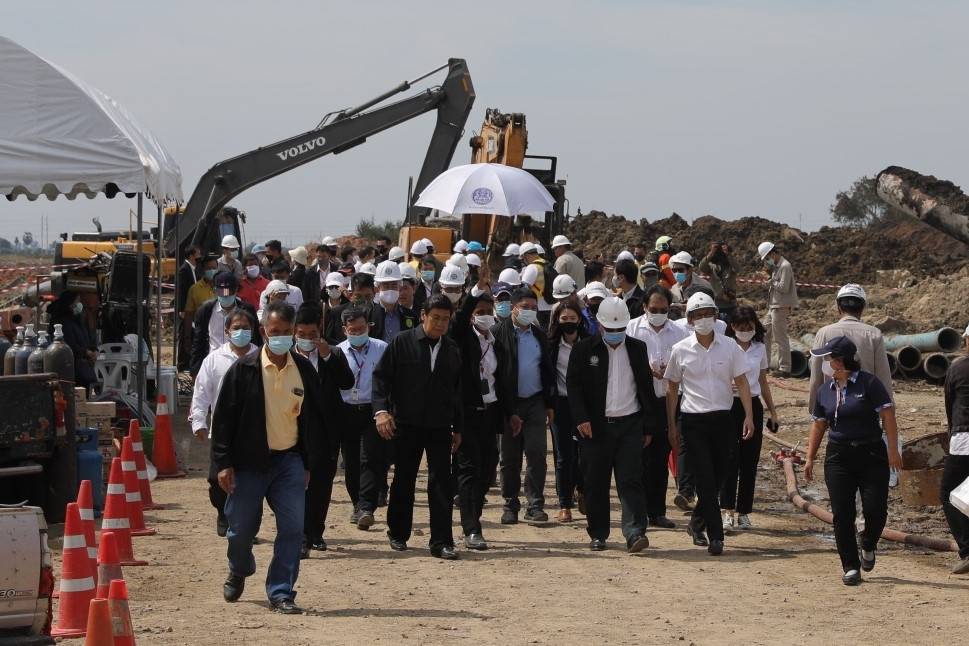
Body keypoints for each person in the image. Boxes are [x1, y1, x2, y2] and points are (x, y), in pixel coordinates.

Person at [212, 301, 326, 614]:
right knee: (240, 531)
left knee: (292, 528)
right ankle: (239, 567)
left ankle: (281, 592)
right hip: (249, 463)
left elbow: (313, 421)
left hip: (289, 462)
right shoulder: (244, 370)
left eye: (287, 332)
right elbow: (223, 421)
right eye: (275, 332)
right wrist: (223, 464)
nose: (281, 337)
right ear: (264, 332)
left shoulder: (304, 371)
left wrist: (307, 463)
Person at [805, 336, 902, 585]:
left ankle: (868, 543)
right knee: (842, 513)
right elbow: (819, 424)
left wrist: (893, 451)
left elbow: (888, 416)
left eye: (829, 358)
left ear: (840, 361)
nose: (826, 364)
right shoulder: (825, 391)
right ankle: (850, 566)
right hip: (839, 457)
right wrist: (809, 458)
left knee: (875, 509)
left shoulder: (869, 384)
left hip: (871, 454)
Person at [372, 294, 463, 559]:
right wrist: (381, 412)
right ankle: (398, 533)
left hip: (439, 425)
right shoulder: (402, 342)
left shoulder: (452, 349)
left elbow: (457, 391)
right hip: (406, 424)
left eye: (446, 319)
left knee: (441, 483)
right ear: (423, 315)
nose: (441, 323)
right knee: (404, 479)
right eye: (436, 318)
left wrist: (458, 427)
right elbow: (381, 378)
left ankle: (442, 541)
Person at [664, 292, 755, 556]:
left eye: (708, 314)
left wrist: (748, 415)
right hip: (693, 421)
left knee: (719, 477)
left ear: (716, 316)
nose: (704, 319)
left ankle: (696, 523)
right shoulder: (680, 350)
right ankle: (716, 536)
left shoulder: (730, 346)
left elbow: (742, 382)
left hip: (723, 419)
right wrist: (672, 425)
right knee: (704, 477)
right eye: (698, 315)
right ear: (690, 320)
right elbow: (672, 387)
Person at [567, 296, 658, 552]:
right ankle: (598, 533)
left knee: (631, 480)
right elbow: (573, 386)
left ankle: (635, 532)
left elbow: (646, 388)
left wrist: (649, 426)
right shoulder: (584, 350)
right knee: (596, 482)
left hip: (630, 424)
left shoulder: (638, 349)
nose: (615, 333)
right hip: (596, 427)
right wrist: (581, 418)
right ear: (599, 325)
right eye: (610, 328)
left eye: (620, 329)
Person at [190, 309, 260, 536]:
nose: (241, 332)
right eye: (236, 328)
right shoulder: (214, 359)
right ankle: (223, 512)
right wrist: (198, 421)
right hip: (222, 430)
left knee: (251, 480)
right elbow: (201, 392)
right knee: (217, 477)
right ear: (227, 331)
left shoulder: (261, 357)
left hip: (254, 430)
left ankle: (246, 526)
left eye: (246, 328)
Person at [625, 284, 688, 528]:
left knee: (661, 458)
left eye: (663, 310)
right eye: (654, 309)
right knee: (638, 458)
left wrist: (669, 370)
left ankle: (657, 511)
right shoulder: (632, 329)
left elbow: (685, 363)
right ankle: (637, 511)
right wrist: (646, 370)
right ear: (644, 307)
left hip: (667, 400)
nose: (659, 314)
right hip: (639, 401)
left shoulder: (678, 332)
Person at [293, 304, 353, 556]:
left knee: (321, 484)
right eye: (302, 334)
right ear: (294, 332)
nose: (308, 339)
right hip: (294, 431)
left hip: (326, 432)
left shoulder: (333, 353)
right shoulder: (286, 357)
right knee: (295, 483)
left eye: (313, 334)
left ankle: (315, 533)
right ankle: (298, 534)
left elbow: (347, 382)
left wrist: (327, 356)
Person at [449, 270, 504, 549]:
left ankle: (474, 513)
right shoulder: (463, 336)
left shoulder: (495, 341)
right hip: (468, 412)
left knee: (487, 468)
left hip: (490, 412)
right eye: (479, 312)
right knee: (469, 469)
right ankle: (471, 528)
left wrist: (510, 414)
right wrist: (475, 293)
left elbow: (502, 379)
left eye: (488, 311)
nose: (484, 316)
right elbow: (458, 320)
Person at [493, 288, 555, 524]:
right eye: (525, 307)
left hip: (535, 402)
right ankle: (510, 504)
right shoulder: (498, 333)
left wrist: (549, 404)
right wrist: (504, 408)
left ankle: (535, 505)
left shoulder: (539, 335)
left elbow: (546, 370)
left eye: (533, 308)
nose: (529, 311)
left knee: (537, 454)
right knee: (509, 458)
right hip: (509, 404)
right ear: (513, 308)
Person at [720, 306, 777, 531]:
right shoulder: (725, 347)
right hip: (728, 404)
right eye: (741, 328)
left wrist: (772, 411)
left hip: (752, 404)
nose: (745, 332)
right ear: (733, 327)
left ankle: (744, 511)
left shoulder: (759, 348)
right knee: (729, 459)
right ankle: (727, 510)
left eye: (749, 327)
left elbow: (762, 381)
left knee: (749, 460)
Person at [340, 307, 390, 530]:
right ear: (345, 330)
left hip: (373, 410)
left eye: (362, 328)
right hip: (347, 411)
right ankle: (356, 504)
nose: (358, 333)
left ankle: (367, 506)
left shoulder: (382, 348)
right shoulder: (338, 351)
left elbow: (389, 380)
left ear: (368, 326)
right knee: (351, 460)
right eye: (353, 330)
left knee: (369, 457)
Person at [549, 302, 588, 522]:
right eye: (564, 319)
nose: (568, 322)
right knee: (564, 456)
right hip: (561, 405)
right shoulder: (551, 345)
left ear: (579, 320)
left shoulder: (590, 344)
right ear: (557, 320)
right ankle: (565, 503)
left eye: (572, 318)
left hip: (585, 406)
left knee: (584, 454)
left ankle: (583, 490)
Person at [190, 272, 258, 377]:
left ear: (236, 290)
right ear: (215, 290)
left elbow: (255, 337)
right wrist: (195, 370)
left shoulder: (247, 310)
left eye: (229, 291)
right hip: (214, 365)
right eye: (222, 291)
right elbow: (198, 341)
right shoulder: (205, 311)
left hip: (242, 363)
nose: (226, 294)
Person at [942, 326, 969, 574]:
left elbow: (950, 403)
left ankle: (967, 550)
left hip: (964, 440)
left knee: (951, 494)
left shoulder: (958, 368)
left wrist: (952, 434)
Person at [758, 241, 798, 376]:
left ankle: (785, 368)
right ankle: (765, 365)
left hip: (781, 306)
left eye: (767, 258)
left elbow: (783, 287)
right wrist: (767, 281)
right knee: (764, 333)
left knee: (780, 338)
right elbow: (775, 285)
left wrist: (771, 281)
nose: (767, 261)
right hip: (773, 306)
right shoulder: (776, 266)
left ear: (773, 253)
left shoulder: (785, 266)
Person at [47, 290, 98, 389]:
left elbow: (88, 338)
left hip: (84, 368)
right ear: (69, 303)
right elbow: (68, 344)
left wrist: (94, 350)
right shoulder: (61, 321)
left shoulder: (77, 319)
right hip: (71, 370)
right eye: (77, 301)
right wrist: (86, 352)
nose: (80, 304)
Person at [698, 241, 740, 320]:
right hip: (716, 304)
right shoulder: (711, 266)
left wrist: (728, 254)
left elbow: (737, 269)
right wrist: (711, 252)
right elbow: (702, 267)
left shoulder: (730, 265)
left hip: (730, 303)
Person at [177, 245, 202, 371]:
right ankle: (182, 364)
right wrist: (181, 309)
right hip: (186, 309)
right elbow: (181, 291)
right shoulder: (184, 270)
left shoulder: (194, 270)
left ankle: (188, 362)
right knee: (184, 336)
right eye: (198, 254)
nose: (199, 256)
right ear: (191, 256)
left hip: (193, 308)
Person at [520, 242, 555, 329]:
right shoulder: (546, 264)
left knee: (541, 332)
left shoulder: (532, 267)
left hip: (540, 307)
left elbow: (524, 289)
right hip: (552, 304)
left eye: (523, 258)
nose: (523, 261)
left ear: (527, 255)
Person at [668, 252, 712, 319]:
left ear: (690, 269)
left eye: (680, 270)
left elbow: (711, 311)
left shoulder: (704, 286)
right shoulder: (673, 290)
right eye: (674, 270)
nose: (677, 273)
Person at [185, 255, 219, 338]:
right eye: (209, 268)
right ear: (203, 270)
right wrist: (187, 337)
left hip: (219, 332)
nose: (212, 271)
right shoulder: (194, 289)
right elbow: (189, 314)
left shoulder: (223, 287)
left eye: (214, 268)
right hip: (202, 332)